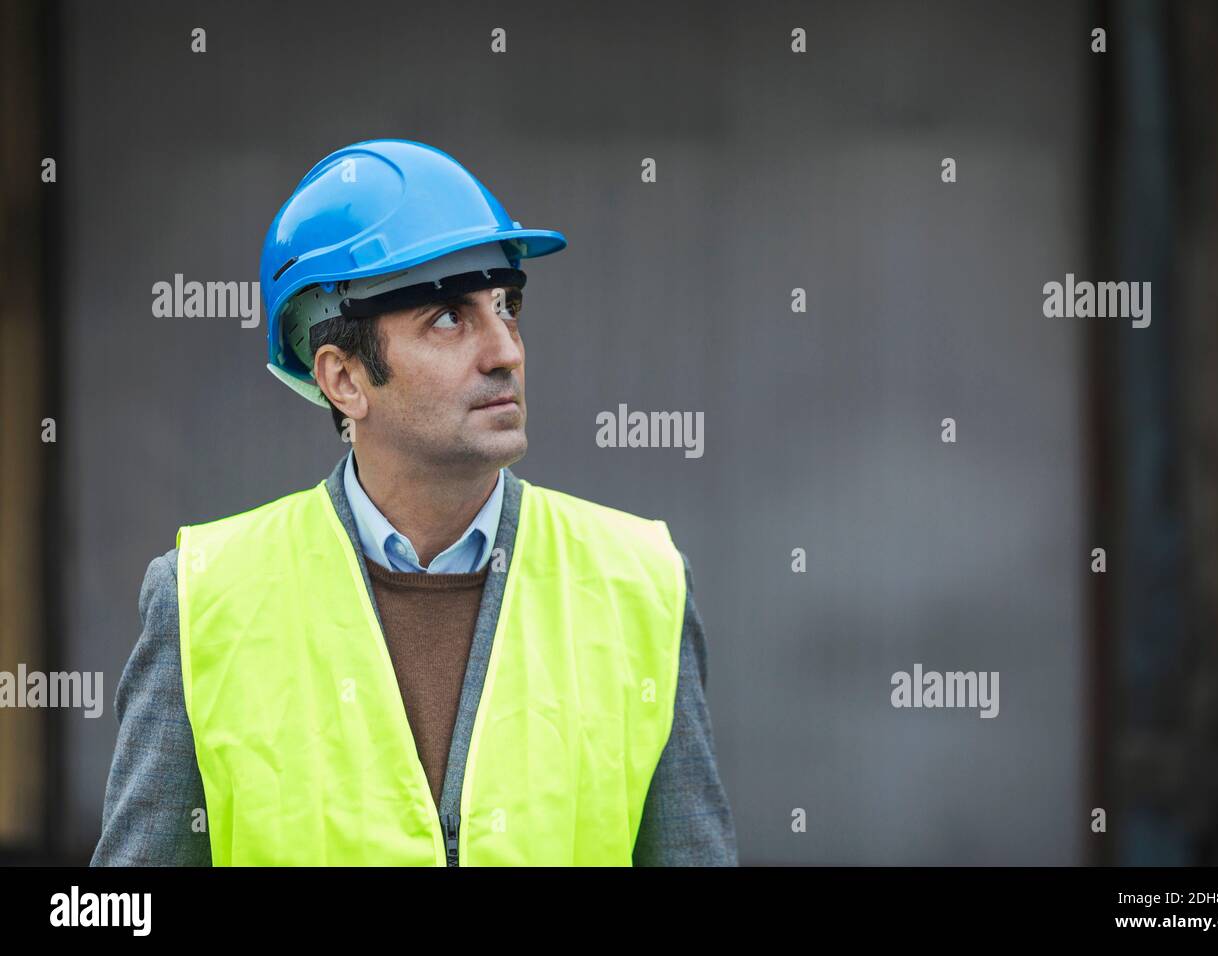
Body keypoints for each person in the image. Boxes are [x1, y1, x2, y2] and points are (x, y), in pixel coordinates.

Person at [90, 139, 737, 866]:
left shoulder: (641, 585)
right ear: (343, 380)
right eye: (451, 318)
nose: (507, 352)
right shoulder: (202, 599)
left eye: (508, 307)